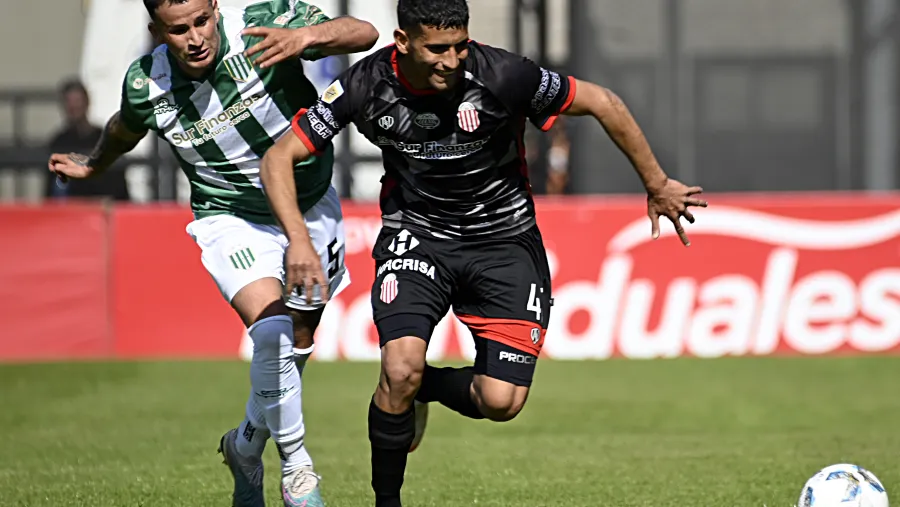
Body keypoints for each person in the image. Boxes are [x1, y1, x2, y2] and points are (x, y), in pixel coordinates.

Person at [259, 0, 708, 505]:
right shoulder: (366, 85)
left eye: (459, 46)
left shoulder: (503, 74)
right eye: (436, 48)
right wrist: (298, 239)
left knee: (500, 402)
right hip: (417, 237)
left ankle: (423, 389)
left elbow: (602, 101)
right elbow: (279, 157)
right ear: (403, 42)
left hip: (505, 241)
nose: (451, 60)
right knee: (398, 368)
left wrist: (656, 183)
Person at [46, 1, 378, 505]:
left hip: (310, 204)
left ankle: (245, 446)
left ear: (216, 10)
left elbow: (365, 31)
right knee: (271, 331)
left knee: (299, 341)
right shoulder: (148, 83)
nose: (196, 37)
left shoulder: (264, 24)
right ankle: (298, 471)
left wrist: (307, 38)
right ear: (158, 31)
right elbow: (124, 125)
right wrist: (94, 164)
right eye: (179, 30)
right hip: (230, 217)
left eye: (202, 21)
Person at [45, 79, 130, 201]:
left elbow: (119, 184)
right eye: (69, 102)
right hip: (71, 209)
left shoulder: (104, 137)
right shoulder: (58, 142)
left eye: (77, 101)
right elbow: (51, 188)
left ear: (87, 103)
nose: (73, 107)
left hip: (103, 205)